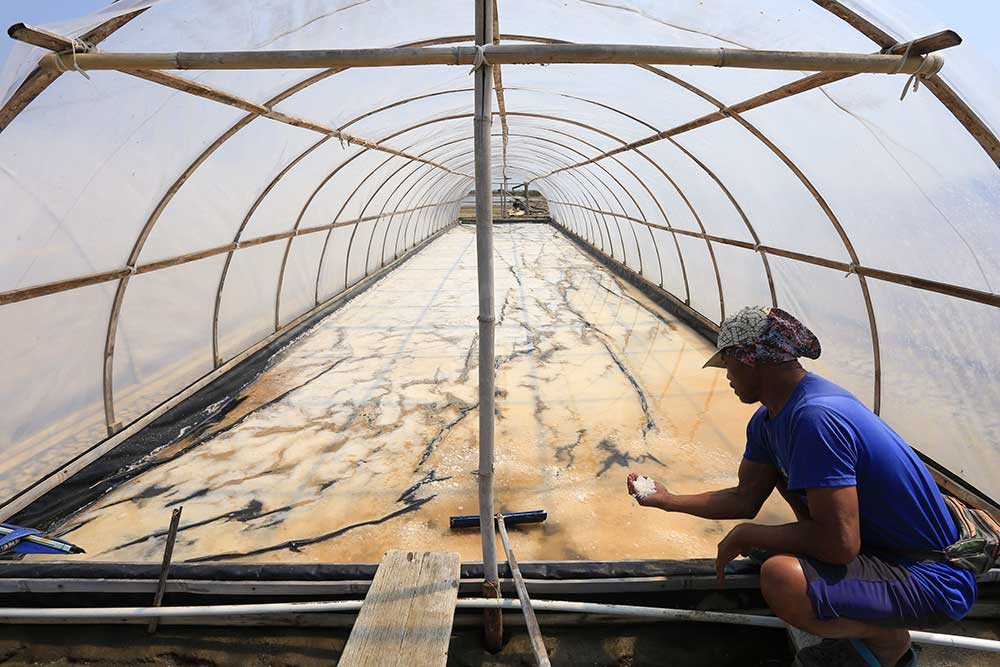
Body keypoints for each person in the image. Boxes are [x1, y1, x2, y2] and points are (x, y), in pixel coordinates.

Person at [626, 306, 976, 667]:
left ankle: (888, 643)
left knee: (781, 577)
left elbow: (840, 546)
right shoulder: (768, 420)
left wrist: (749, 534)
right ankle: (875, 634)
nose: (726, 375)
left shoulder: (816, 418)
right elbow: (743, 498)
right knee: (772, 548)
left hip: (931, 578)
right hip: (883, 556)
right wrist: (667, 500)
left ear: (751, 361)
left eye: (728, 362)